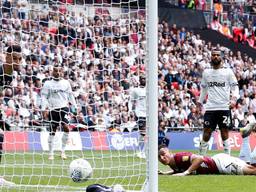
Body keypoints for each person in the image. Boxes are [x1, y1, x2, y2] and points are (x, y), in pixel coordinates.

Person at [198, 49, 239, 155]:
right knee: (206, 132)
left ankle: (227, 157)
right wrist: (200, 102)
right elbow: (204, 89)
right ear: (211, 57)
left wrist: (234, 99)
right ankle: (201, 157)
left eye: (217, 55)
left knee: (224, 132)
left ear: (221, 57)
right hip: (210, 107)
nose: (215, 56)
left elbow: (235, 87)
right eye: (213, 55)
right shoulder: (206, 72)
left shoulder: (228, 72)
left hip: (224, 107)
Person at [41, 65, 77, 160]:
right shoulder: (48, 84)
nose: (58, 73)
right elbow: (44, 97)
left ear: (62, 72)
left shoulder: (66, 83)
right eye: (56, 71)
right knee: (53, 130)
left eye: (60, 71)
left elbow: (70, 95)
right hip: (53, 109)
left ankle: (63, 151)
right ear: (52, 72)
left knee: (66, 127)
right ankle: (51, 153)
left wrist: (74, 107)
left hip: (64, 108)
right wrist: (43, 109)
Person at [158, 144, 256, 176]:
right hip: (218, 161)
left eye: (163, 154)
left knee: (251, 171)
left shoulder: (179, 157)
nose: (162, 158)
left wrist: (186, 173)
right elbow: (178, 170)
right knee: (251, 168)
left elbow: (199, 159)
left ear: (169, 152)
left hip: (220, 164)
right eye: (159, 157)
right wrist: (165, 173)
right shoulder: (174, 164)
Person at [0, 45, 22, 186]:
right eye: (14, 58)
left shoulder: (10, 76)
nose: (17, 62)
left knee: (0, 136)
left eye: (19, 59)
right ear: (6, 57)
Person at [129, 75, 146, 159]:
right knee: (144, 133)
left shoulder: (150, 90)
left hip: (149, 114)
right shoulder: (136, 90)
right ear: (139, 80)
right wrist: (130, 111)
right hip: (140, 114)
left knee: (145, 135)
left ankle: (141, 151)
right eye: (142, 79)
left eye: (145, 79)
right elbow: (131, 101)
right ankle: (140, 151)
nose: (144, 80)